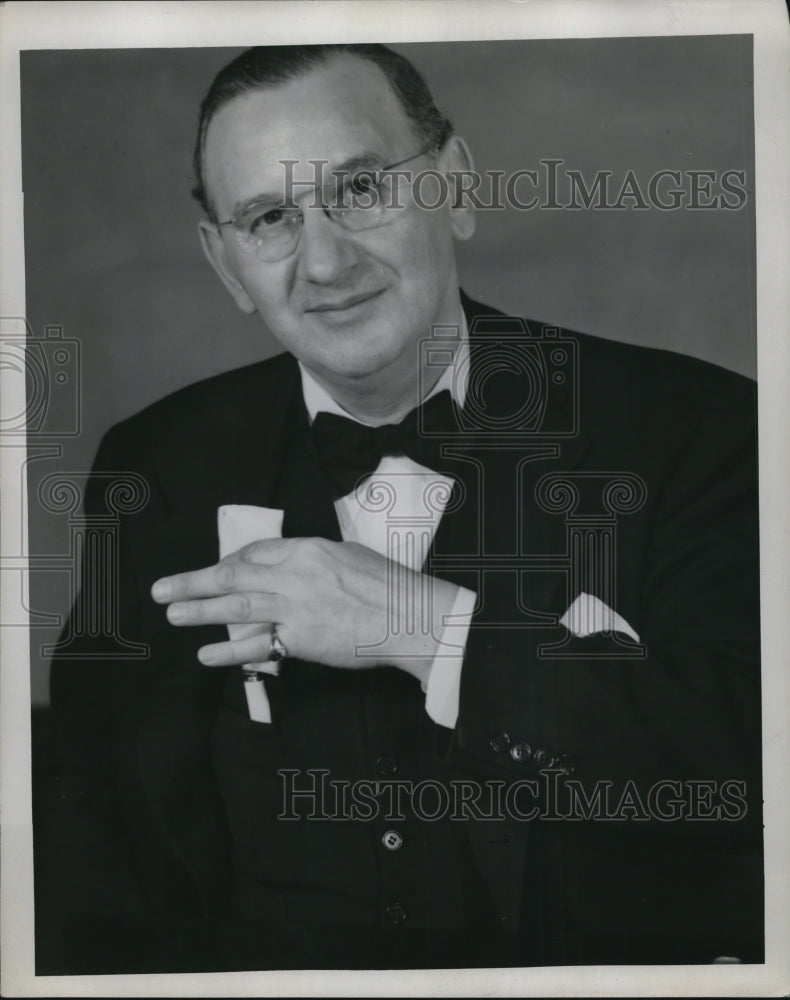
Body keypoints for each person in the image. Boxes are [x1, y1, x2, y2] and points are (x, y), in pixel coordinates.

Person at [40, 44, 762, 974]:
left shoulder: (701, 429)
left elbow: (746, 767)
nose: (325, 261)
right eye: (270, 218)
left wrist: (427, 628)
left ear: (455, 185)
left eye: (361, 189)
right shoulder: (154, 464)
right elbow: (97, 823)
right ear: (226, 263)